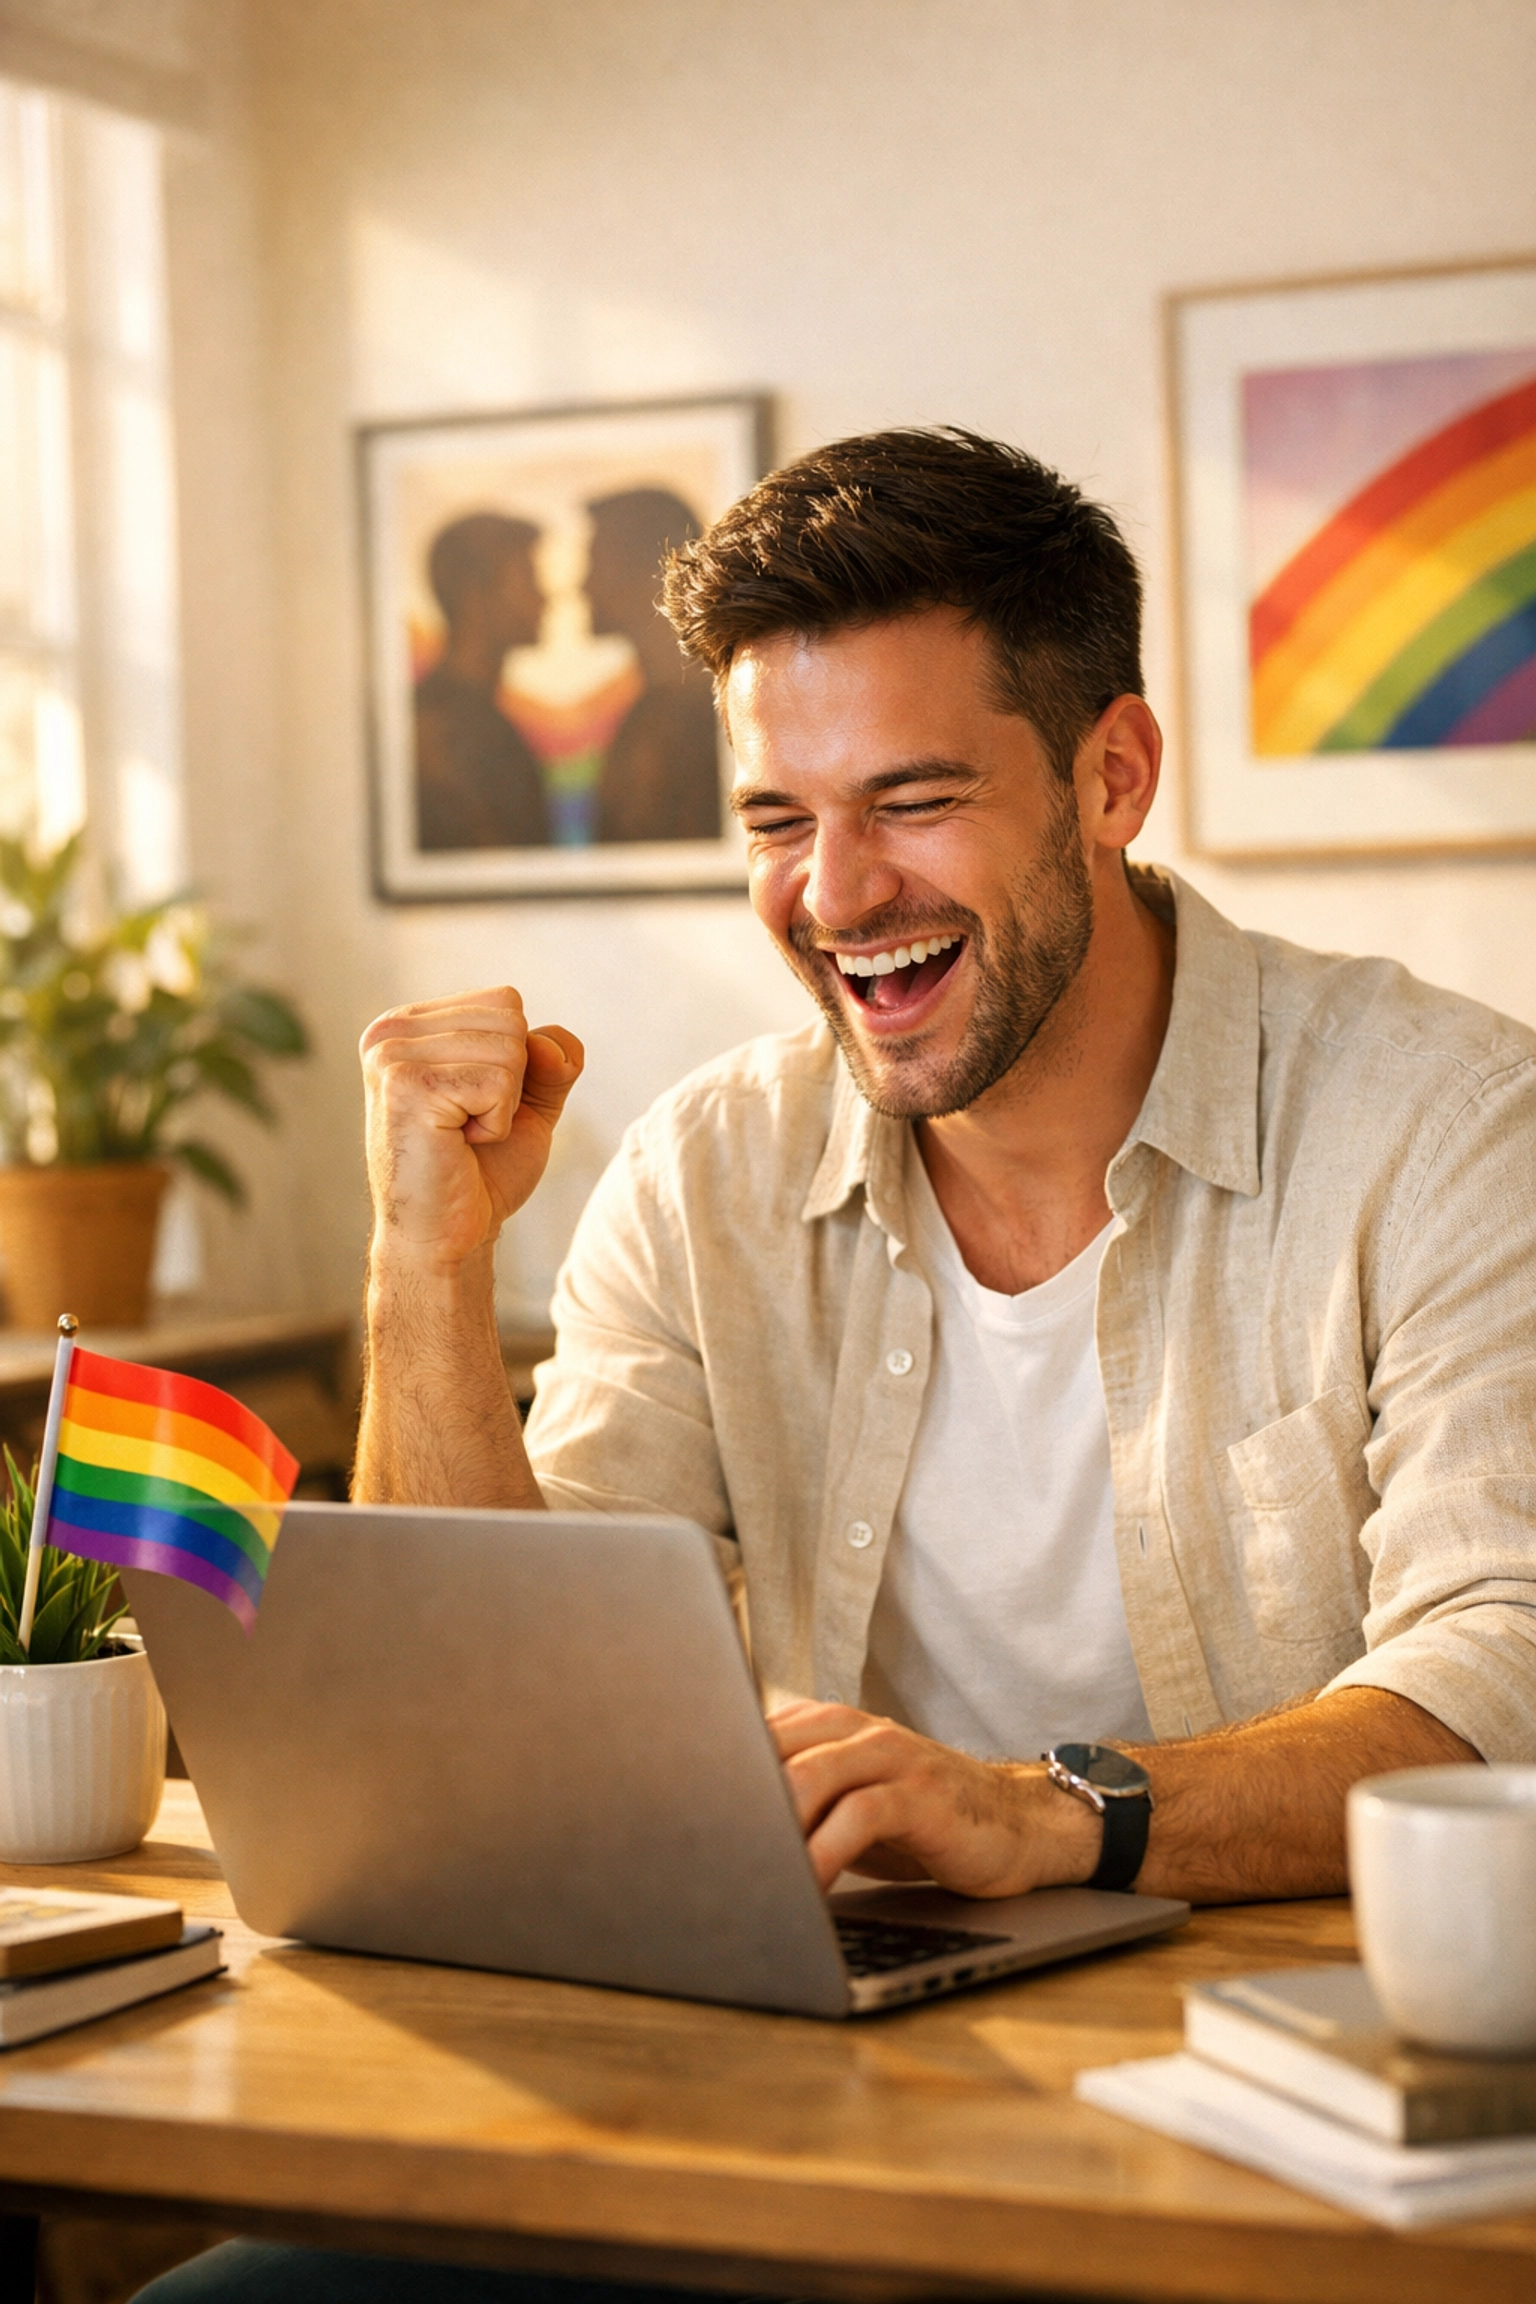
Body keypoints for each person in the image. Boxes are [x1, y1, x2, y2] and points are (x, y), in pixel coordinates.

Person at [135, 427, 1536, 2304]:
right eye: (776, 821)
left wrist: (1049, 1810)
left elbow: (1494, 1675)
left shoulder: (1448, 1123)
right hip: (774, 2100)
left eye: (913, 798)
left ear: (1112, 773)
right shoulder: (707, 1168)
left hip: (1261, 2129)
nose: (836, 892)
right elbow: (491, 1728)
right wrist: (428, 1260)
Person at [585, 487, 723, 843]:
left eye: (594, 563)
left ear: (642, 571)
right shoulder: (662, 709)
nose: (582, 586)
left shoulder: (678, 717)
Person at [414, 511, 551, 850]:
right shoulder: (449, 729)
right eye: (529, 578)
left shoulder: (468, 717)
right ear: (475, 596)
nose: (545, 598)